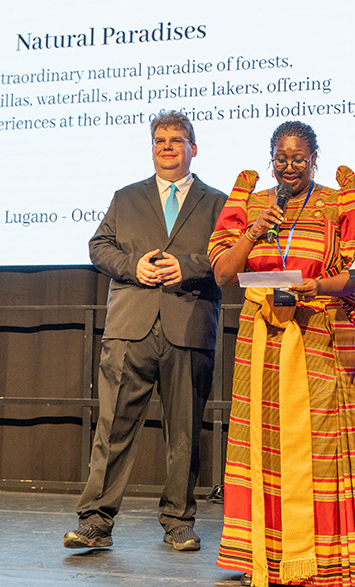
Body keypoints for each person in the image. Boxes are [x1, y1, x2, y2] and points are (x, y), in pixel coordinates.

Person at [209, 120, 355, 587]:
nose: (289, 167)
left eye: (298, 159)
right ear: (271, 160)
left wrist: (317, 286)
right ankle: (266, 555)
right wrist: (254, 232)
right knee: (265, 445)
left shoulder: (336, 201)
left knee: (319, 446)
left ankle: (323, 560)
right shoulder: (251, 203)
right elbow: (224, 273)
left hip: (318, 335)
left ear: (314, 159)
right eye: (281, 159)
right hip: (260, 340)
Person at [63, 109, 226, 552]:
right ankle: (95, 521)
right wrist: (132, 266)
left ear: (193, 148)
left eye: (177, 139)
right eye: (160, 140)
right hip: (129, 328)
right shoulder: (127, 196)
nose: (167, 147)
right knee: (112, 428)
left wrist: (189, 268)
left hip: (188, 326)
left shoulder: (218, 202)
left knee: (185, 434)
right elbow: (99, 247)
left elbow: (231, 260)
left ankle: (179, 521)